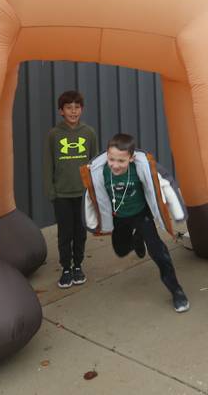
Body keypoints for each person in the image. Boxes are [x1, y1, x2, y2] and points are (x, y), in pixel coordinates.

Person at [82, 133, 190, 312]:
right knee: (121, 250)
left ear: (131, 158)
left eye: (121, 161)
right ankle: (136, 240)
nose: (115, 165)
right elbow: (90, 198)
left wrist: (177, 211)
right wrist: (92, 222)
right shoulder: (100, 172)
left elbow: (164, 184)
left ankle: (176, 291)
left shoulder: (141, 169)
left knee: (159, 253)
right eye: (111, 159)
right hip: (119, 217)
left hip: (141, 215)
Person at [44, 90, 99, 289]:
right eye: (69, 108)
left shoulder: (89, 133)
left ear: (81, 110)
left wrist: (93, 191)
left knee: (80, 232)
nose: (73, 111)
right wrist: (51, 191)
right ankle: (66, 268)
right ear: (61, 111)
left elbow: (94, 164)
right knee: (65, 232)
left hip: (83, 194)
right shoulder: (54, 135)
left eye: (77, 107)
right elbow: (48, 165)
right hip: (62, 194)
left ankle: (78, 266)